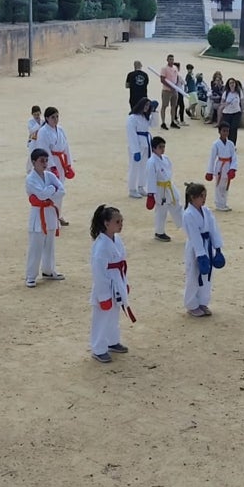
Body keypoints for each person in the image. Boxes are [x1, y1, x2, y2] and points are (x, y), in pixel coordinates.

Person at [89, 205, 132, 364]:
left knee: (113, 314)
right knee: (101, 317)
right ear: (106, 223)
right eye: (117, 221)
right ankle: (98, 348)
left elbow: (121, 263)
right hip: (105, 285)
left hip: (117, 280)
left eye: (121, 221)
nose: (121, 224)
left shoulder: (116, 240)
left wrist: (124, 283)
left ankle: (112, 341)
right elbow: (99, 274)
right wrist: (103, 296)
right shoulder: (101, 246)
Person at [182, 183, 224, 318]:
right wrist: (201, 255)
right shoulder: (188, 214)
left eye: (205, 196)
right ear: (192, 198)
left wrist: (217, 248)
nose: (204, 199)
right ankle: (191, 304)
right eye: (201, 196)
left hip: (207, 245)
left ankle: (202, 302)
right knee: (194, 275)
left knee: (207, 276)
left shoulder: (206, 211)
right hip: (195, 248)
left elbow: (214, 229)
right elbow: (194, 235)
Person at [25, 148, 65, 288]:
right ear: (34, 162)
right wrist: (51, 190)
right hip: (38, 215)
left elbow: (62, 190)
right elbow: (41, 195)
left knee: (50, 245)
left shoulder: (50, 176)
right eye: (42, 160)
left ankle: (48, 270)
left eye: (46, 160)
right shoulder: (30, 179)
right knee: (36, 247)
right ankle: (31, 275)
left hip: (50, 213)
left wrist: (48, 191)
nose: (45, 163)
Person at [36, 107, 74, 225]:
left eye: (57, 116)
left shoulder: (61, 130)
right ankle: (50, 217)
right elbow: (44, 149)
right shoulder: (43, 132)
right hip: (50, 164)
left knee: (60, 189)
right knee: (51, 190)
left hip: (61, 162)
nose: (56, 119)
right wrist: (51, 166)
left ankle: (58, 214)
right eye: (53, 117)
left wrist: (68, 164)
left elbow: (66, 146)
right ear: (47, 118)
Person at [147, 136, 183, 242]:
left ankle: (187, 227)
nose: (162, 149)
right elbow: (151, 179)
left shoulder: (166, 158)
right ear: (153, 148)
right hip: (159, 189)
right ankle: (159, 232)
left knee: (177, 206)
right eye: (160, 147)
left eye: (163, 147)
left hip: (168, 186)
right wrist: (151, 195)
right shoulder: (151, 162)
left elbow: (169, 172)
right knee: (161, 211)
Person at [206, 122, 238, 212]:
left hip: (228, 165)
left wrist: (233, 169)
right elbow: (212, 158)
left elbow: (234, 157)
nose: (225, 133)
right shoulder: (215, 144)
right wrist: (210, 172)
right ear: (219, 132)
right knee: (219, 185)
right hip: (220, 165)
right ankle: (219, 204)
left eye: (227, 131)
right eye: (223, 131)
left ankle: (224, 203)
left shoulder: (231, 144)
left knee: (226, 185)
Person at [126, 98, 154, 198]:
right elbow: (131, 134)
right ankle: (132, 189)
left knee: (144, 167)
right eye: (145, 105)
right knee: (134, 167)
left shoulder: (145, 117)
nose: (146, 108)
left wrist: (154, 112)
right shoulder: (132, 118)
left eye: (148, 106)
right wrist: (135, 150)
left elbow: (154, 125)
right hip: (137, 145)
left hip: (146, 144)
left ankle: (141, 186)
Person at [219, 77, 244, 146]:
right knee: (227, 129)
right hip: (227, 113)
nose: (232, 84)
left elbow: (242, 102)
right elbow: (221, 103)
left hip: (236, 112)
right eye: (230, 83)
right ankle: (227, 142)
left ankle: (233, 144)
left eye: (233, 83)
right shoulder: (226, 93)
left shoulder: (239, 92)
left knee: (234, 128)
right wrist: (225, 104)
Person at [159, 54, 180, 130]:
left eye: (172, 59)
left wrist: (176, 86)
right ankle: (163, 122)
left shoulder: (175, 68)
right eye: (170, 59)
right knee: (164, 106)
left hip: (174, 90)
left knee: (174, 106)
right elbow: (162, 79)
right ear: (167, 60)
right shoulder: (164, 68)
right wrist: (170, 87)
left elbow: (177, 77)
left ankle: (172, 121)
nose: (171, 61)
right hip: (166, 90)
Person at [25, 106, 44, 174]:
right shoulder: (30, 121)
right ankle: (29, 170)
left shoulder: (43, 121)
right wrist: (38, 124)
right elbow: (31, 130)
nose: (36, 116)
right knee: (31, 155)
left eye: (38, 114)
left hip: (40, 140)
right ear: (32, 114)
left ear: (40, 113)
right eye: (35, 114)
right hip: (33, 141)